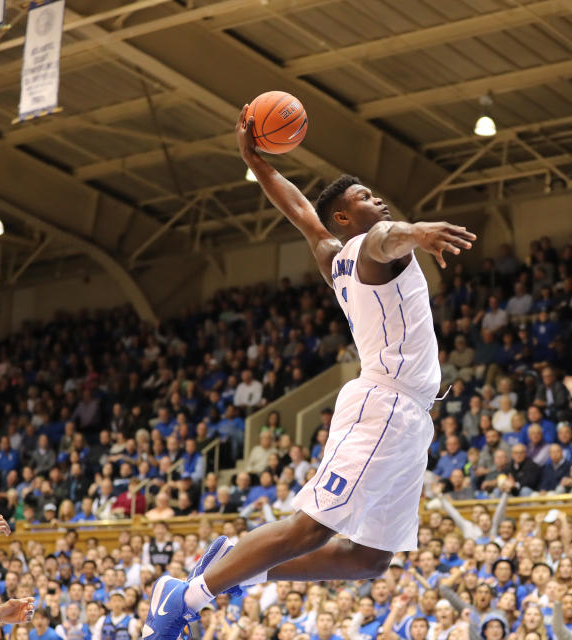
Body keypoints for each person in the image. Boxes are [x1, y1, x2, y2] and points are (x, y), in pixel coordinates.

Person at [142, 103, 477, 640]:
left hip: (411, 417)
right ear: (346, 219)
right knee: (315, 526)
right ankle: (186, 597)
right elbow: (387, 237)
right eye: (364, 198)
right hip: (385, 405)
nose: (377, 200)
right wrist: (416, 230)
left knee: (369, 560)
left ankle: (235, 567)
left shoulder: (331, 252)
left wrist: (257, 161)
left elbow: (300, 210)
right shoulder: (372, 249)